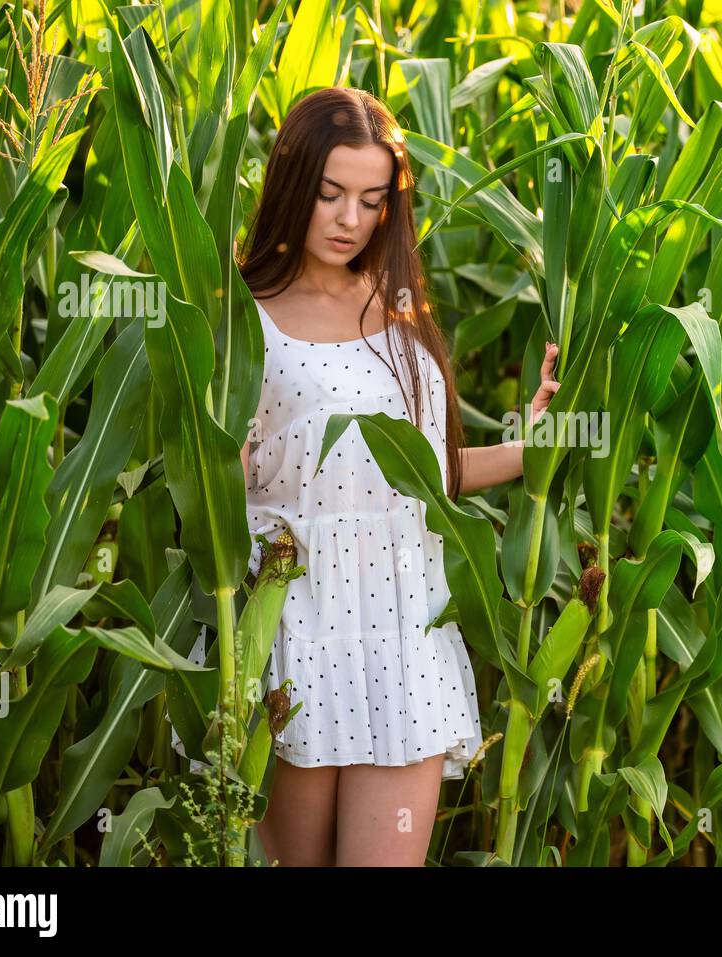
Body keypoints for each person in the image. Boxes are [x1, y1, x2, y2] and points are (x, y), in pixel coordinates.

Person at [230, 86, 557, 866]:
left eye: (372, 200)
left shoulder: (401, 315)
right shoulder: (247, 320)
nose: (350, 219)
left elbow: (427, 475)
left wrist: (530, 444)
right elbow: (216, 485)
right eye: (330, 193)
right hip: (293, 631)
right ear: (291, 185)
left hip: (404, 634)